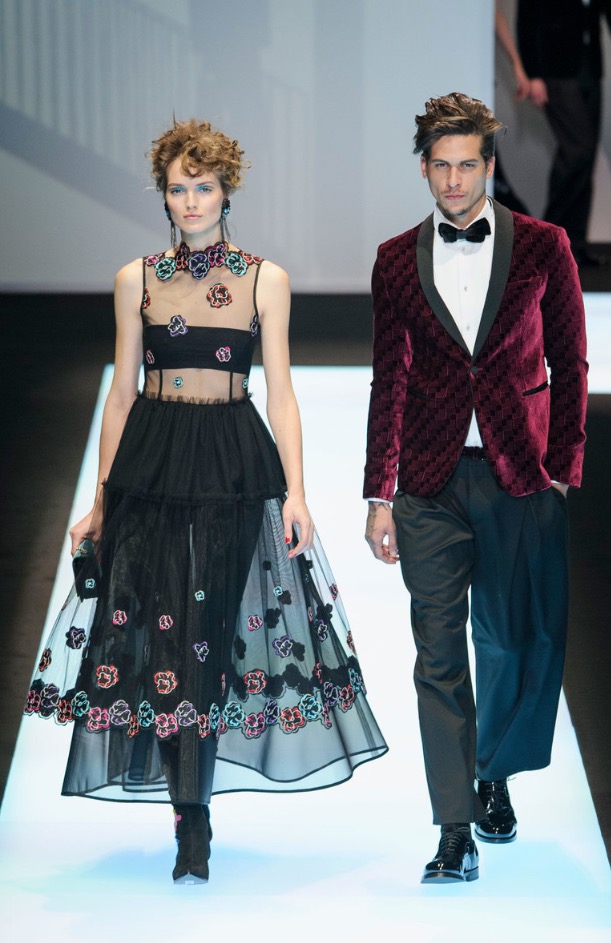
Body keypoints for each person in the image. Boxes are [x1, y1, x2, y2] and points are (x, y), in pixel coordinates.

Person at [24, 119, 387, 885]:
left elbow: (280, 393)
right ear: (162, 195)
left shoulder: (264, 280)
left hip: (230, 464)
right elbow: (121, 395)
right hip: (151, 465)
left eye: (204, 186)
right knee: (158, 643)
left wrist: (296, 492)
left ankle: (195, 803)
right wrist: (99, 501)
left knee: (209, 642)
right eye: (178, 188)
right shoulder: (135, 279)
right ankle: (187, 810)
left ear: (227, 192)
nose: (190, 200)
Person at [363, 93, 587, 884]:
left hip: (516, 472)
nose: (453, 180)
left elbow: (568, 359)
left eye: (467, 165)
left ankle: (492, 770)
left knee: (512, 638)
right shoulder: (395, 259)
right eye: (440, 166)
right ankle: (453, 825)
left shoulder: (544, 246)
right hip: (427, 482)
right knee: (437, 653)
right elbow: (388, 376)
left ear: (489, 165)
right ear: (424, 169)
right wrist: (378, 492)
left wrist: (561, 464)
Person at [517, 0, 611, 266]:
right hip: (555, 70)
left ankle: (574, 246)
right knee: (577, 151)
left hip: (590, 67)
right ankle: (548, 241)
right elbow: (527, 21)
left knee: (586, 159)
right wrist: (533, 74)